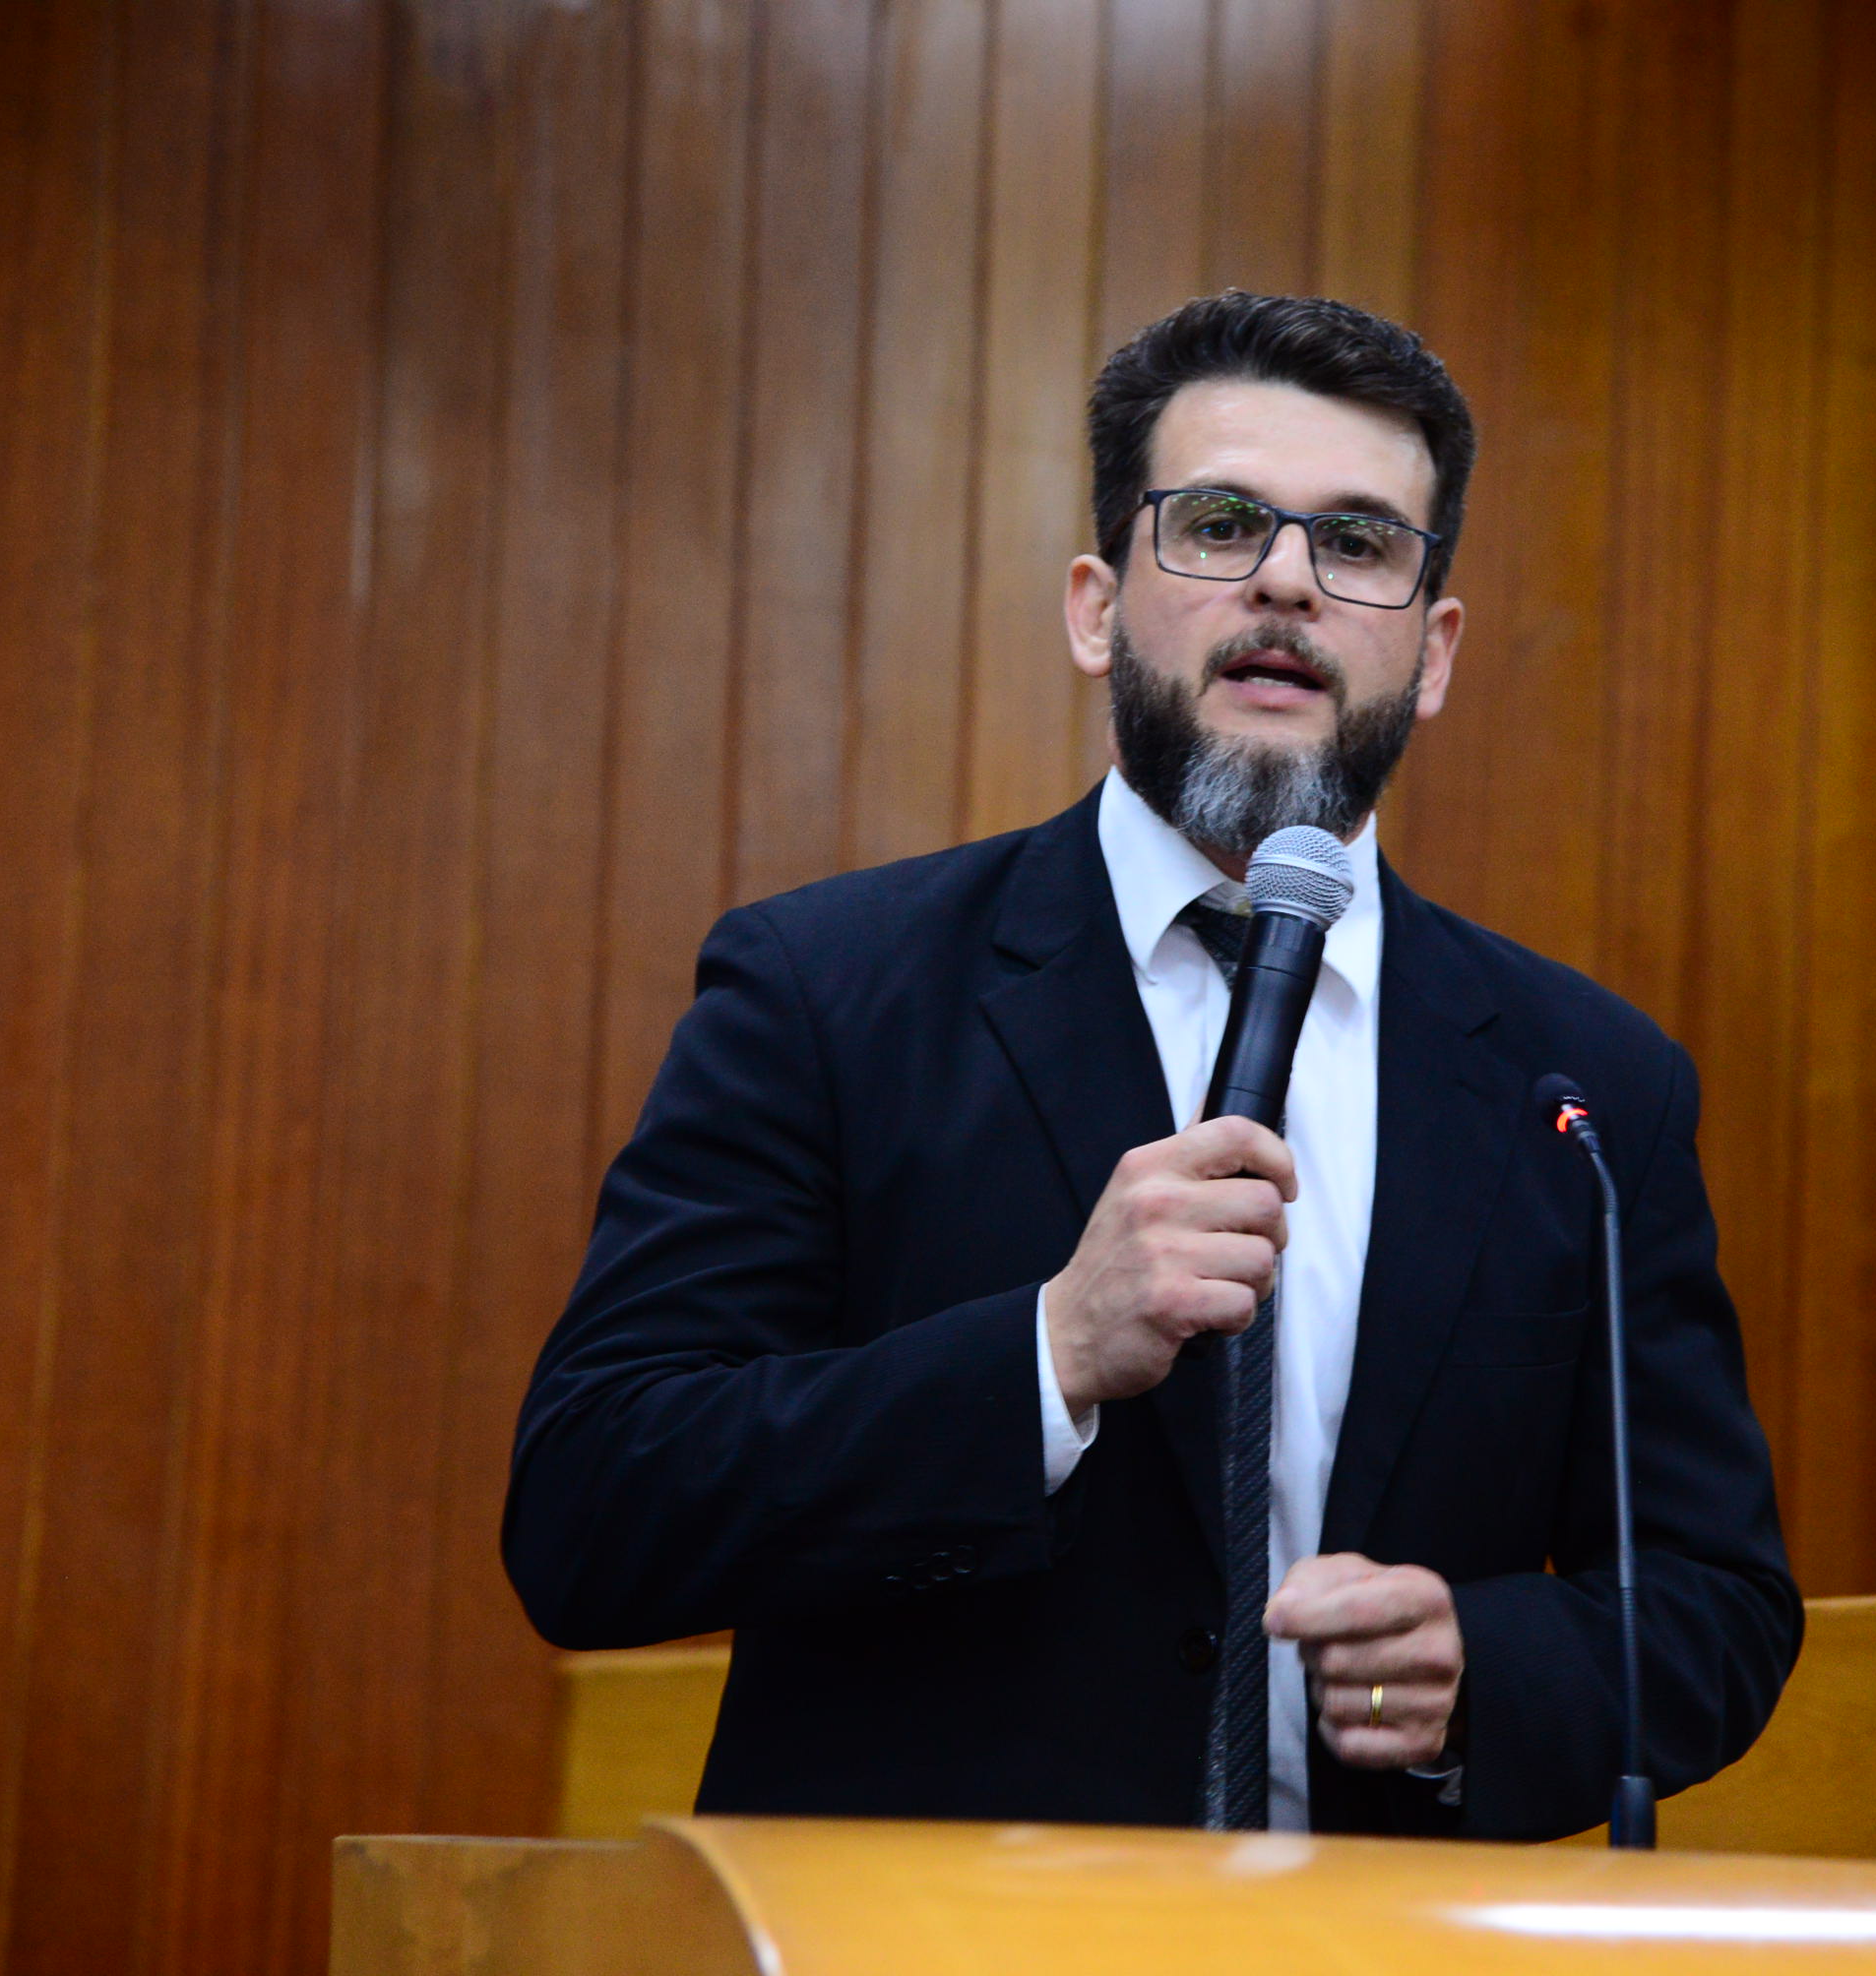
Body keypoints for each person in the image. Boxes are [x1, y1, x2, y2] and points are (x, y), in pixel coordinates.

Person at [502, 291, 1798, 1841]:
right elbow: (591, 1511)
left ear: (1434, 651)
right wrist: (1044, 1353)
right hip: (936, 1933)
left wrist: (1488, 1667)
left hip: (1376, 1939)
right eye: (1221, 524)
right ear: (1097, 607)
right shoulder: (828, 993)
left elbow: (1714, 1601)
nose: (1287, 581)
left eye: (1360, 544)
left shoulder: (1586, 1088)